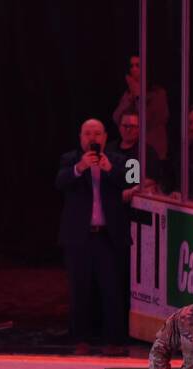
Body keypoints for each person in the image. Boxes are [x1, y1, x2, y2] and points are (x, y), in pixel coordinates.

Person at [56, 119, 130, 349]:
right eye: (87, 133)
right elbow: (60, 182)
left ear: (105, 137)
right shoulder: (70, 159)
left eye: (97, 133)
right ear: (80, 137)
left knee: (111, 289)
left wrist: (110, 170)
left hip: (108, 236)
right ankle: (79, 338)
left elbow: (131, 181)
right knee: (80, 288)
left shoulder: (118, 160)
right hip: (80, 237)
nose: (92, 138)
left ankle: (114, 339)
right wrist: (80, 168)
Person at [112, 55, 169, 163]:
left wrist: (139, 97)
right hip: (132, 151)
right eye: (131, 66)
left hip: (153, 150)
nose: (134, 69)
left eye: (138, 65)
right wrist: (130, 98)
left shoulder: (158, 94)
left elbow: (147, 121)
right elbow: (116, 118)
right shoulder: (128, 94)